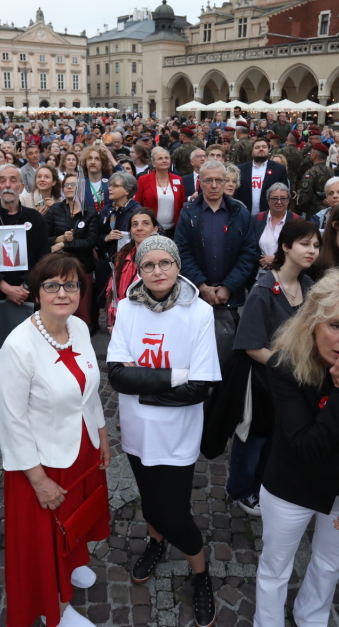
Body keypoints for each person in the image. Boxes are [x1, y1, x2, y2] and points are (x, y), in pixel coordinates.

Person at [254, 268, 339, 627]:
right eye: (336, 325)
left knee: (329, 565)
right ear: (313, 323)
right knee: (275, 567)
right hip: (291, 487)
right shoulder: (284, 366)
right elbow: (308, 447)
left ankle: (311, 617)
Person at [106, 235, 221, 627]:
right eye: (148, 265)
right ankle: (155, 543)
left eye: (165, 263)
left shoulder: (199, 312)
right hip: (137, 429)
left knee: (173, 512)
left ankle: (200, 573)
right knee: (149, 498)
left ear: (177, 265)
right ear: (138, 270)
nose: (157, 271)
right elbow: (117, 376)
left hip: (178, 433)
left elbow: (200, 387)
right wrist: (176, 376)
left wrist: (145, 385)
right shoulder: (128, 308)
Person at [0, 252, 109, 627]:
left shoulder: (78, 327)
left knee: (75, 518)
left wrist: (102, 433)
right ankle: (55, 609)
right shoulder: (18, 347)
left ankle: (72, 564)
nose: (62, 293)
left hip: (80, 447)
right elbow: (10, 421)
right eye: (52, 285)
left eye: (71, 285)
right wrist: (38, 480)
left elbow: (88, 390)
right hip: (42, 463)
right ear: (36, 291)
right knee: (46, 536)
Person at [223, 219, 320, 516]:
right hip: (263, 383)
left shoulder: (309, 287)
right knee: (253, 440)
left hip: (292, 384)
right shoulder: (263, 289)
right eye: (305, 244)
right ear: (286, 246)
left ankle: (262, 485)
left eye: (316, 245)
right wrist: (290, 367)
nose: (312, 250)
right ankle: (240, 490)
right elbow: (251, 346)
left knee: (277, 439)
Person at [176, 160, 258, 320]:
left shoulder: (241, 213)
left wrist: (229, 286)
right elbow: (183, 252)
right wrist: (201, 285)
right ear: (200, 182)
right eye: (208, 180)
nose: (214, 185)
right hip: (195, 296)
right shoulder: (188, 213)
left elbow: (248, 253)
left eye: (219, 180)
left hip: (229, 298)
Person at [0, 164, 50, 307]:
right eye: (2, 181)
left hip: (30, 293)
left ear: (21, 187)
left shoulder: (35, 218)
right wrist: (6, 288)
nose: (7, 185)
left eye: (13, 180)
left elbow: (43, 258)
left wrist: (24, 287)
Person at [46, 173, 101, 327]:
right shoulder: (55, 209)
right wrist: (60, 239)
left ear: (81, 188)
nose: (69, 187)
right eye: (66, 185)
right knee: (59, 308)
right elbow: (44, 237)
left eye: (73, 184)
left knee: (82, 311)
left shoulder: (90, 212)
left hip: (82, 268)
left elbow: (90, 242)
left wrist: (63, 245)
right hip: (57, 267)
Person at [106, 208, 159, 331]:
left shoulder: (164, 260)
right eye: (134, 224)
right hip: (123, 324)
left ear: (155, 229)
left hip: (151, 328)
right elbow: (113, 292)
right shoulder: (122, 257)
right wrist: (115, 322)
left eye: (145, 223)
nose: (139, 228)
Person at [134, 148, 186, 237]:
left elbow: (181, 204)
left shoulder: (178, 179)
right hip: (150, 228)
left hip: (173, 229)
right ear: (153, 163)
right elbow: (137, 204)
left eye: (166, 158)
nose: (164, 161)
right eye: (160, 158)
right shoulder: (143, 180)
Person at [235, 138, 289, 216]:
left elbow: (285, 193)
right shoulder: (241, 169)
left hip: (269, 216)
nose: (261, 149)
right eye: (257, 147)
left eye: (264, 147)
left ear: (269, 150)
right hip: (245, 215)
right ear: (252, 151)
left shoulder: (279, 169)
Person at [254, 183, 297, 272]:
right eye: (274, 198)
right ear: (268, 200)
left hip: (288, 272)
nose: (279, 202)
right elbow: (249, 246)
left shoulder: (297, 221)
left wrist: (277, 260)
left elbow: (299, 249)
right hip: (259, 271)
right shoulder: (256, 219)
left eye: (283, 198)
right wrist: (262, 260)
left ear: (288, 200)